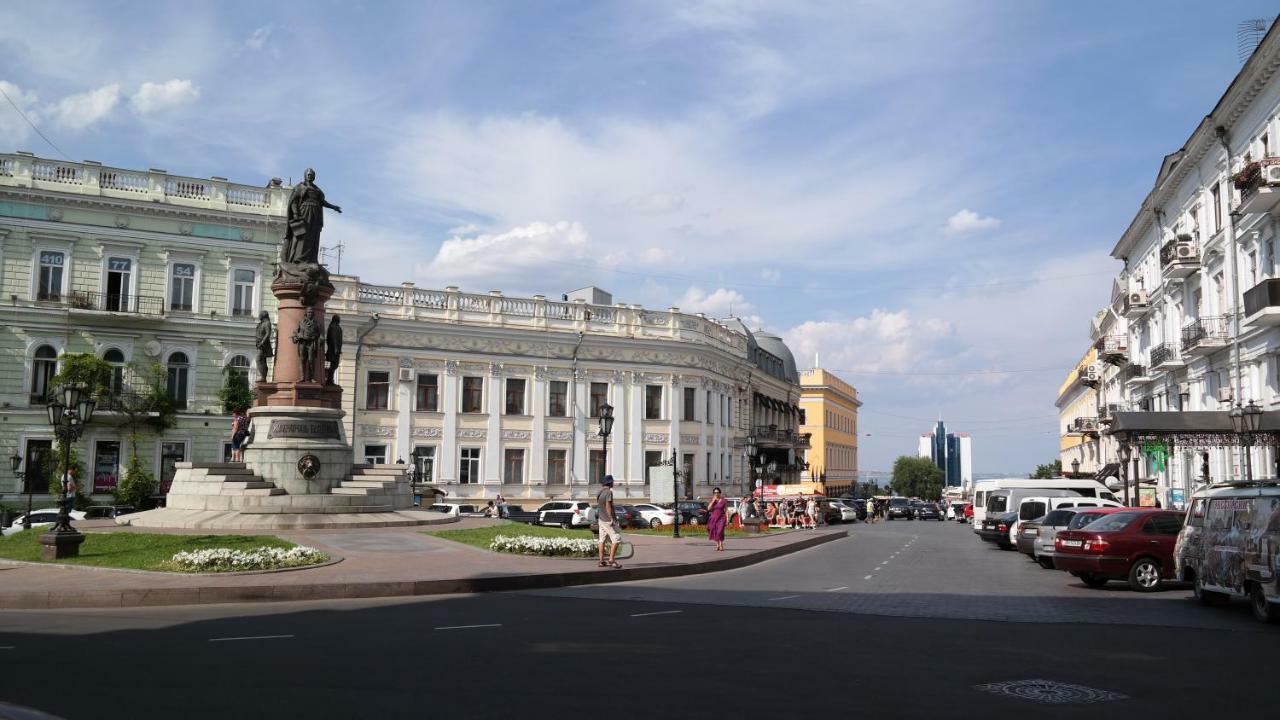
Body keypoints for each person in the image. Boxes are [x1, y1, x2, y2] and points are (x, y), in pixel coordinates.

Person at [596, 475, 623, 569]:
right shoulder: (608, 492)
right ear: (609, 483)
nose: (613, 483)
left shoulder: (599, 492)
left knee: (601, 539)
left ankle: (601, 561)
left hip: (601, 519)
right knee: (616, 538)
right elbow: (608, 506)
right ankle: (611, 560)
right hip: (607, 520)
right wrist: (611, 518)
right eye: (612, 481)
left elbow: (600, 506)